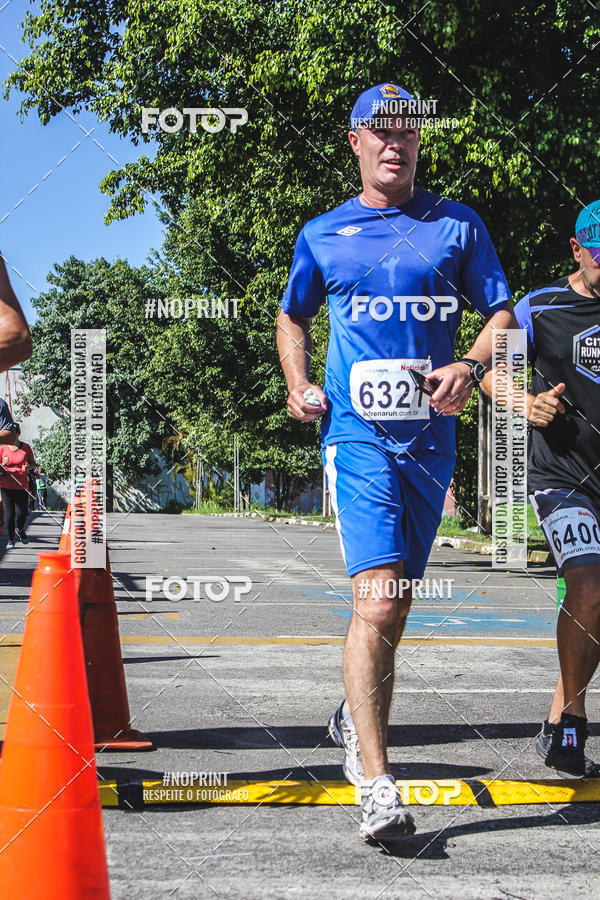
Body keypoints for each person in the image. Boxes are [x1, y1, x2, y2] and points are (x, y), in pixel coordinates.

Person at [277, 83, 514, 841]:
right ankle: (376, 781)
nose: (394, 142)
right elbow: (292, 314)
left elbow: (501, 313)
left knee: (397, 604)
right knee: (376, 602)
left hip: (431, 444)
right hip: (358, 438)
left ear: (419, 142)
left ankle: (354, 711)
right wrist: (299, 384)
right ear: (355, 143)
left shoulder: (458, 227)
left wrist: (471, 368)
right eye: (379, 132)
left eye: (407, 131)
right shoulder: (323, 234)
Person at [482, 199, 600, 778]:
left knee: (596, 604)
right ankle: (573, 725)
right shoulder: (541, 305)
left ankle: (556, 723)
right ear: (577, 251)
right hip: (561, 476)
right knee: (587, 583)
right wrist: (523, 402)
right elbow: (489, 369)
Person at [0, 423, 35, 549]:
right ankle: (10, 539)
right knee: (10, 514)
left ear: (18, 434)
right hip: (6, 484)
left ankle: (20, 529)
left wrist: (28, 467)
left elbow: (33, 464)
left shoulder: (26, 447)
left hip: (21, 485)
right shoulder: (2, 448)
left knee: (22, 513)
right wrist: (2, 465)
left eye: (13, 434)